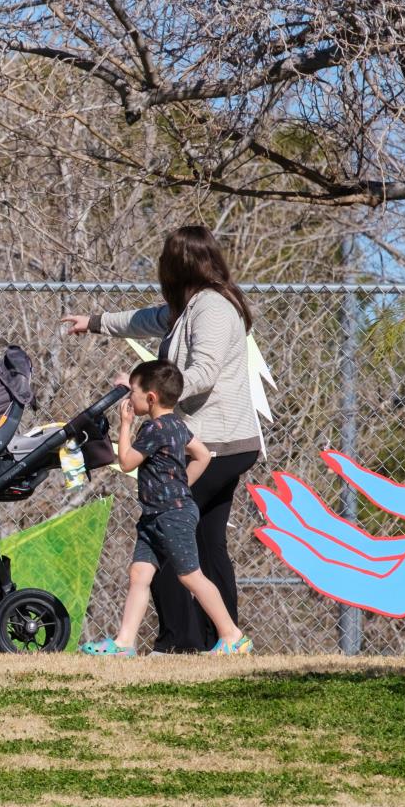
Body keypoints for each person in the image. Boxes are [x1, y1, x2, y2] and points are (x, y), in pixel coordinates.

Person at [62, 225, 262, 651]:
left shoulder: (212, 309)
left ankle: (182, 639)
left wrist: (152, 397)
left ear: (177, 265)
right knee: (206, 540)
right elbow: (144, 320)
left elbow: (204, 371)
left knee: (165, 531)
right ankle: (222, 640)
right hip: (217, 443)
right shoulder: (190, 306)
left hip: (217, 444)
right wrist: (94, 323)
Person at [80, 361, 250, 657]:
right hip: (155, 515)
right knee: (140, 574)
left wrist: (125, 425)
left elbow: (127, 462)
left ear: (151, 398)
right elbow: (201, 454)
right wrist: (185, 483)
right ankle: (123, 643)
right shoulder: (178, 426)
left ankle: (232, 635)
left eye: (132, 391)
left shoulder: (154, 428)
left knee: (190, 576)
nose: (128, 398)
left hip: (171, 516)